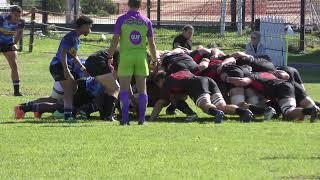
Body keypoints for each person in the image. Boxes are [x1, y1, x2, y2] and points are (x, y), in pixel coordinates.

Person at [107, 0, 158, 125]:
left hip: (126, 57)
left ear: (128, 4)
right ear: (140, 5)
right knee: (142, 90)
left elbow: (115, 40)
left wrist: (110, 56)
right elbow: (152, 43)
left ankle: (125, 119)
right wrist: (155, 59)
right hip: (141, 57)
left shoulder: (121, 19)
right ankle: (141, 119)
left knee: (124, 90)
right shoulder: (146, 21)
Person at [49, 15, 93, 121]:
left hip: (64, 65)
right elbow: (63, 53)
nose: (90, 30)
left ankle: (62, 110)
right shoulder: (70, 37)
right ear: (83, 26)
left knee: (73, 87)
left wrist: (83, 69)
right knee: (70, 88)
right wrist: (66, 70)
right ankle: (67, 115)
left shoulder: (76, 39)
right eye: (89, 27)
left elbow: (73, 56)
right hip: (59, 65)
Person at [0, 6, 25, 96]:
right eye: (15, 15)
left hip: (8, 44)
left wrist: (14, 43)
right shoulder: (2, 19)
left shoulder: (21, 22)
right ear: (10, 13)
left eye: (19, 15)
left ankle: (16, 92)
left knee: (14, 65)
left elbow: (19, 33)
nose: (17, 17)